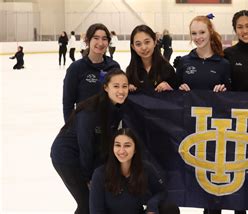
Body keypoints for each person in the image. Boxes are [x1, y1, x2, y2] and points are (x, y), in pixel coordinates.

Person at [51, 69, 129, 214]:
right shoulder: (91, 111)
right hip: (67, 157)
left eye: (125, 86)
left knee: (96, 202)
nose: (121, 91)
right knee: (87, 203)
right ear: (106, 87)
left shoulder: (115, 107)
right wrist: (89, 177)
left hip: (88, 156)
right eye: (116, 86)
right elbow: (85, 145)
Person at [90, 128, 180, 214]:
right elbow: (96, 211)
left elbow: (161, 192)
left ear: (135, 149)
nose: (121, 151)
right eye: (117, 145)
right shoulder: (99, 174)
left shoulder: (146, 168)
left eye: (127, 145)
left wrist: (152, 205)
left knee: (170, 209)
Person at [62, 23, 121, 122]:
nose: (100, 43)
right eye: (96, 38)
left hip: (108, 125)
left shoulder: (113, 67)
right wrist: (71, 129)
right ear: (88, 40)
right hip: (84, 126)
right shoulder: (76, 68)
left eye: (104, 39)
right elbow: (68, 103)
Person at [175, 15, 231, 92]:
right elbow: (175, 94)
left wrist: (223, 92)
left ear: (210, 32)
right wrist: (179, 89)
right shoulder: (183, 61)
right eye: (194, 33)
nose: (198, 37)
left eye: (202, 32)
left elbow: (230, 96)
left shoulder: (224, 64)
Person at [126, 25, 178, 94]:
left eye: (147, 42)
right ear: (133, 47)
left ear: (155, 41)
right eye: (138, 44)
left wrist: (170, 89)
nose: (144, 47)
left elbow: (177, 97)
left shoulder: (167, 69)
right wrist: (126, 89)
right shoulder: (130, 71)